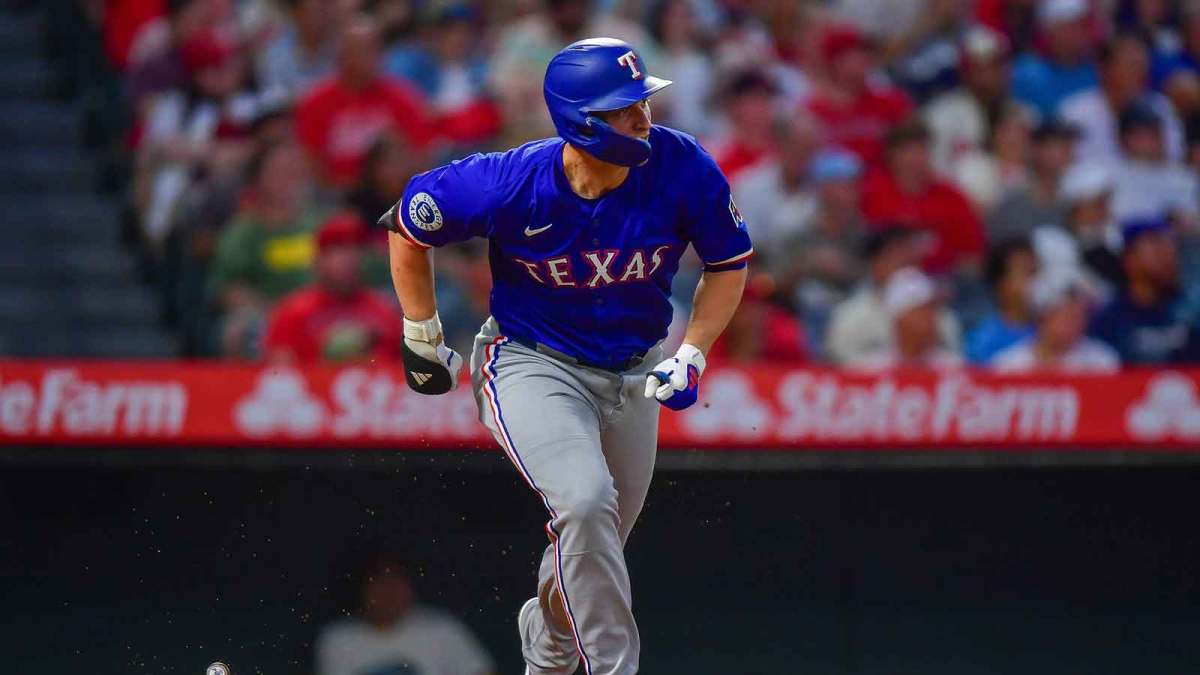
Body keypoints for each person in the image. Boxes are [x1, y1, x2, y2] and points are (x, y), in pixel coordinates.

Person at [381, 39, 751, 675]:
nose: (644, 117)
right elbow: (409, 224)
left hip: (635, 371)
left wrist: (693, 351)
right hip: (532, 362)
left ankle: (548, 651)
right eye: (623, 108)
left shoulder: (681, 164)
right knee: (583, 504)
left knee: (592, 542)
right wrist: (421, 331)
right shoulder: (510, 182)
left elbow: (728, 263)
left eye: (643, 101)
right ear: (580, 120)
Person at [207, 141, 324, 358]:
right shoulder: (243, 232)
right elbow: (229, 290)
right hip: (267, 315)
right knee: (239, 330)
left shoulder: (320, 225)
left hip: (322, 314)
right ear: (259, 178)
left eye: (295, 172)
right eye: (280, 172)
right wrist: (281, 316)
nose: (290, 180)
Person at [294, 15, 434, 189]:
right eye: (358, 49)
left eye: (373, 49)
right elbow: (309, 161)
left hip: (393, 197)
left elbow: (422, 155)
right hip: (337, 198)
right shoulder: (315, 102)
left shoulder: (403, 98)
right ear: (341, 54)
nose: (368, 57)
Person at [315, 553, 495, 675]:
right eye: (381, 585)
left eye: (396, 584)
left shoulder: (441, 629)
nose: (390, 593)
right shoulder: (338, 639)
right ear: (362, 590)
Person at [263, 213, 403, 364]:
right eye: (338, 249)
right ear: (319, 259)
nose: (349, 258)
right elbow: (279, 376)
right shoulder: (292, 314)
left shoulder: (386, 312)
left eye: (356, 249)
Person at [861, 119, 987, 275]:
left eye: (922, 150)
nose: (916, 158)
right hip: (888, 279)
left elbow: (973, 252)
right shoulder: (873, 192)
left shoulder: (950, 196)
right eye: (908, 151)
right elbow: (869, 248)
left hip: (946, 278)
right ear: (891, 154)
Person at [825, 227, 960, 366]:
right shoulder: (850, 314)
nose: (904, 262)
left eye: (910, 257)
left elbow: (952, 355)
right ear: (875, 264)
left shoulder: (942, 316)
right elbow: (840, 365)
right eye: (895, 256)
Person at [1058, 32, 1185, 166]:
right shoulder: (1075, 112)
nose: (1140, 73)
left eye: (1142, 65)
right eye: (1131, 66)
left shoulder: (1160, 106)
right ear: (1104, 69)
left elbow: (1174, 158)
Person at [1090, 217, 1200, 364]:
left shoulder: (1191, 311)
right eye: (1157, 249)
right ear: (1129, 259)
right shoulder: (1108, 320)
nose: (1168, 257)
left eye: (1171, 249)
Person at [805, 23, 913, 168]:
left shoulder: (892, 102)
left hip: (883, 185)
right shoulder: (813, 111)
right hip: (837, 186)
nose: (865, 60)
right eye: (856, 55)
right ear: (836, 62)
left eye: (866, 54)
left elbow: (912, 149)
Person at [992, 265, 1119, 372]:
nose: (1078, 322)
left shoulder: (1102, 361)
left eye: (1082, 315)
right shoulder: (1008, 365)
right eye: (1069, 316)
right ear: (1042, 317)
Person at [985, 117, 1078, 242]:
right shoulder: (1012, 203)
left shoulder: (1075, 203)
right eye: (1058, 145)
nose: (1069, 152)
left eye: (1068, 146)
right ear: (1035, 150)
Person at [852, 266, 963, 370]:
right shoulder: (869, 369)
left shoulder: (953, 368)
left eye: (932, 309)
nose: (931, 318)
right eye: (921, 310)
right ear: (899, 318)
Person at [1110, 100, 1200, 225]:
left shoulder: (1184, 175)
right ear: (1124, 140)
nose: (1154, 139)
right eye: (1143, 134)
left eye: (1156, 131)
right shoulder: (1112, 178)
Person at [1010, 0, 1099, 118]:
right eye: (1072, 26)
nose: (1081, 33)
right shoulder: (1026, 74)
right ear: (1050, 31)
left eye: (1083, 25)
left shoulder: (1097, 70)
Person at [966, 236, 1037, 364]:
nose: (1034, 281)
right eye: (1025, 272)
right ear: (1001, 284)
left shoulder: (1052, 330)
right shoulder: (983, 340)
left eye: (1035, 271)